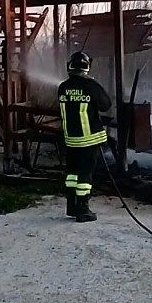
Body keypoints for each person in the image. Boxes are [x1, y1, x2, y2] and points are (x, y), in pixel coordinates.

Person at [57, 51, 113, 222]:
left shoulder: (63, 87)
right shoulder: (90, 86)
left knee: (72, 174)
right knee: (85, 176)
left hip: (71, 139)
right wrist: (94, 84)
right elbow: (106, 105)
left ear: (69, 66)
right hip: (89, 139)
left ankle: (72, 206)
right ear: (87, 66)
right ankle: (83, 210)